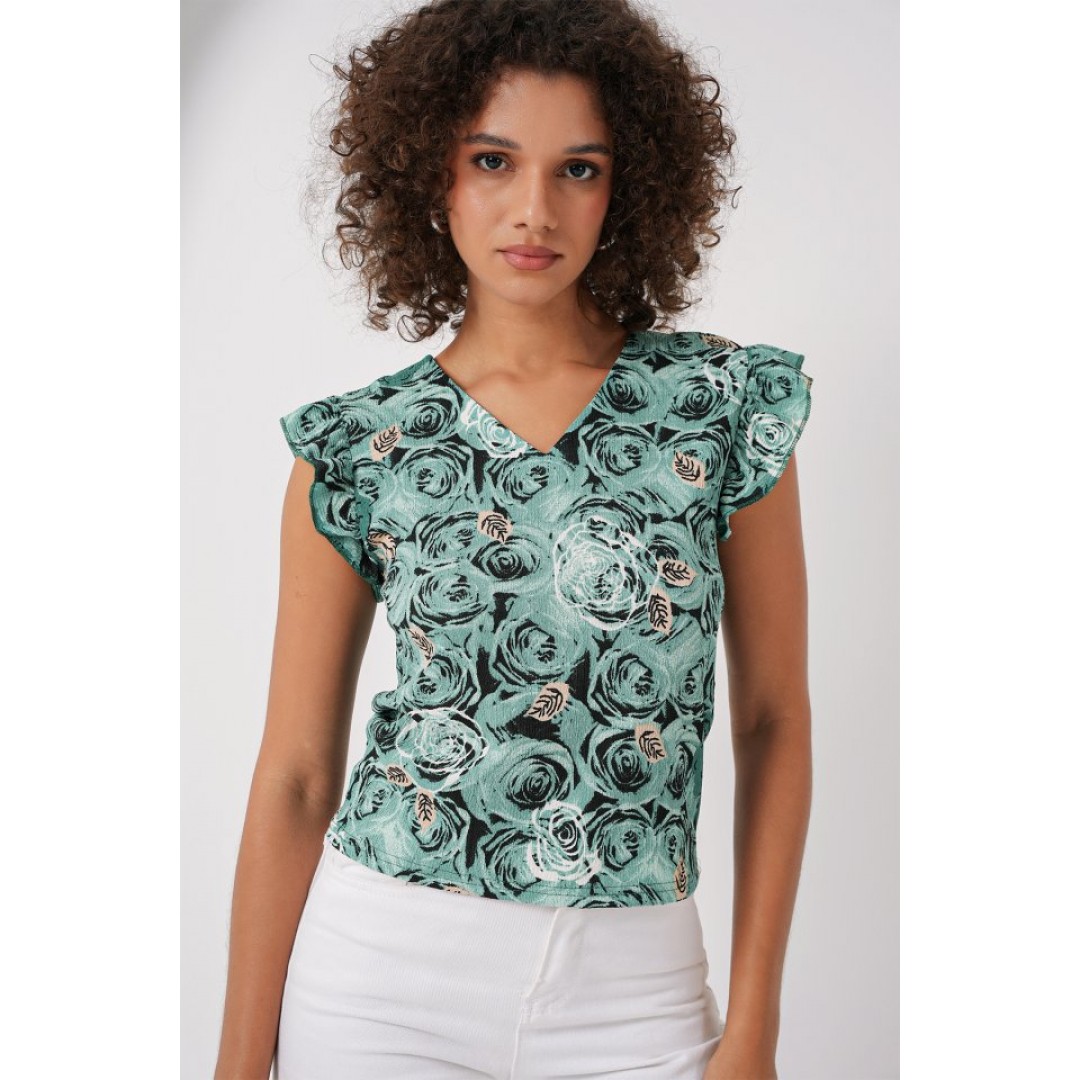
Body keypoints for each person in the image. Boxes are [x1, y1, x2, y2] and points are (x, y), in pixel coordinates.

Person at [214, 1, 814, 1077]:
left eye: (578, 168)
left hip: (638, 996)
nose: (535, 209)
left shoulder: (720, 407)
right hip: (379, 987)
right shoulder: (360, 447)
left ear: (628, 184)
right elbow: (297, 775)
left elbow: (773, 719)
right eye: (493, 160)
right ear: (427, 171)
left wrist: (757, 1025)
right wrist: (234, 1065)